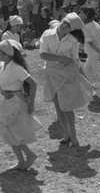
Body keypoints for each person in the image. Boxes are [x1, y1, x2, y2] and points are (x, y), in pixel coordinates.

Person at [39, 12, 94, 146]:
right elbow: (43, 54)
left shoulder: (72, 41)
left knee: (67, 107)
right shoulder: (47, 34)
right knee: (58, 106)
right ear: (62, 21)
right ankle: (66, 134)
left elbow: (75, 61)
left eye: (68, 26)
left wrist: (86, 78)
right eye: (65, 23)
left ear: (72, 30)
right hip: (51, 73)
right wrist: (62, 58)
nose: (65, 27)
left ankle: (74, 137)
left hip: (66, 75)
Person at [0, 39, 41, 171]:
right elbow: (1, 83)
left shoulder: (17, 68)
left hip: (16, 102)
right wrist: (3, 91)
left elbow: (33, 83)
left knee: (11, 132)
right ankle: (21, 161)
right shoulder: (2, 65)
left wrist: (31, 103)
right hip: (7, 101)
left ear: (7, 54)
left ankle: (30, 155)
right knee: (6, 131)